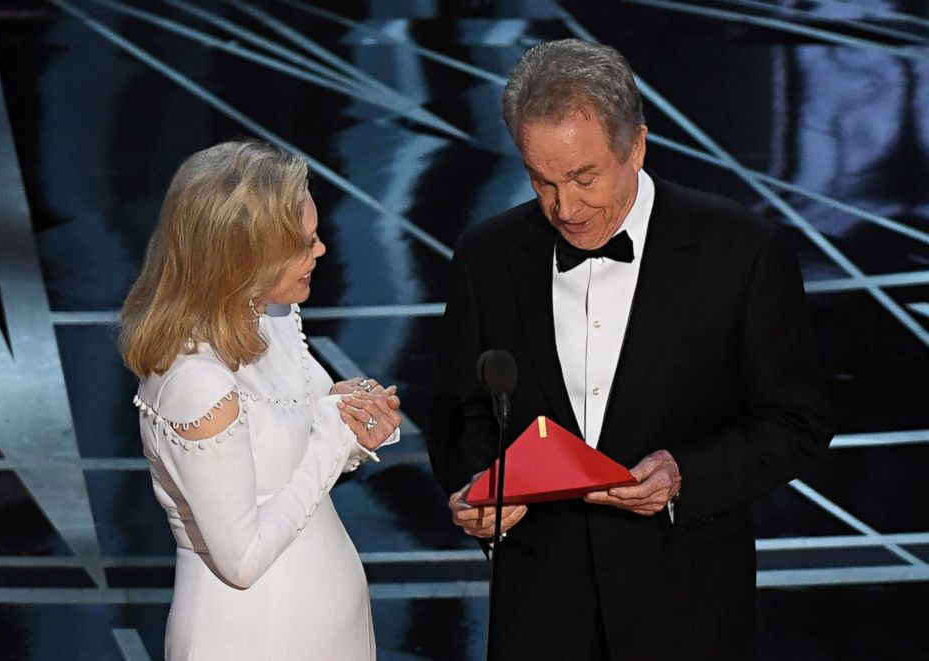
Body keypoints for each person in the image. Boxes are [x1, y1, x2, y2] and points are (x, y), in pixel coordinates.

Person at [428, 39, 834, 660]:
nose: (564, 207)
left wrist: (685, 476)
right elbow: (462, 410)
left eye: (583, 177)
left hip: (687, 612)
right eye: (542, 181)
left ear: (636, 145)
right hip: (540, 617)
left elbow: (796, 420)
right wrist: (481, 486)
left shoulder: (741, 251)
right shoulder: (488, 257)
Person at [120, 140, 401, 661]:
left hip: (332, 625)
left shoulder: (271, 318)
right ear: (241, 255)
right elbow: (242, 560)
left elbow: (301, 439)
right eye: (303, 243)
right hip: (252, 636)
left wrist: (356, 420)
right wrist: (333, 435)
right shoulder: (196, 381)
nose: (320, 251)